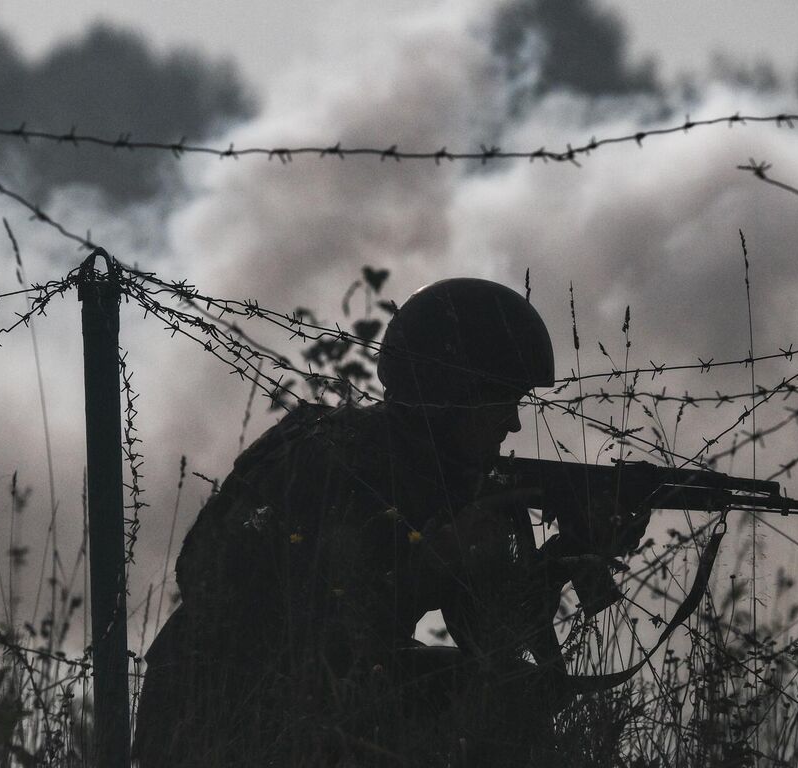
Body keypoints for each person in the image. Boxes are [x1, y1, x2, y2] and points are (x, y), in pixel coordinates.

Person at [133, 277, 585, 767]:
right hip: (223, 714)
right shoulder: (330, 461)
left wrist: (571, 551)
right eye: (502, 402)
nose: (514, 424)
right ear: (450, 392)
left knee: (509, 695)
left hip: (321, 698)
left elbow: (496, 636)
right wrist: (426, 569)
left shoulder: (445, 479)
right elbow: (282, 628)